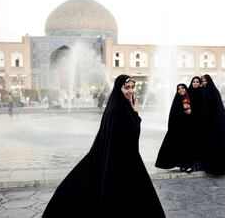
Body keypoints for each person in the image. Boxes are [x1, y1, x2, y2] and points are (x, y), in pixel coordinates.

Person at [43, 75, 165, 217]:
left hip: (124, 157)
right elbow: (129, 132)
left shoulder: (121, 106)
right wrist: (136, 114)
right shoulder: (116, 110)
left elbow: (129, 134)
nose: (130, 91)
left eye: (132, 87)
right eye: (127, 87)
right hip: (118, 160)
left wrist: (134, 113)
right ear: (119, 88)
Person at [155, 83, 194, 173]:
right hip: (178, 128)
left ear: (185, 89)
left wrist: (190, 112)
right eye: (179, 89)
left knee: (187, 147)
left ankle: (187, 165)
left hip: (188, 128)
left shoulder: (189, 98)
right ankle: (182, 165)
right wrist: (184, 112)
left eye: (182, 88)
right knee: (180, 147)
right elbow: (173, 114)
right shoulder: (177, 99)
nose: (181, 90)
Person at [187, 76, 205, 171]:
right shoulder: (188, 93)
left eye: (197, 81)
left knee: (199, 142)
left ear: (199, 83)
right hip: (190, 122)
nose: (195, 83)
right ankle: (190, 162)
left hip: (199, 122)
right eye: (193, 81)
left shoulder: (202, 93)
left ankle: (199, 163)